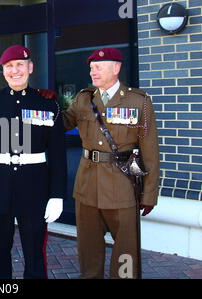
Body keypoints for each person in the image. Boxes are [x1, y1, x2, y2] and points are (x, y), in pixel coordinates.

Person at [0, 45, 66, 279]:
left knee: (35, 251)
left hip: (34, 185)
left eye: (20, 65)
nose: (15, 71)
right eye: (9, 66)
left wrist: (57, 195)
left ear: (30, 67)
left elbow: (57, 154)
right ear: (3, 71)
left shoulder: (47, 104)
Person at [63, 47, 159, 279]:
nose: (92, 72)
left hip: (122, 184)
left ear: (116, 68)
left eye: (98, 67)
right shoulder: (84, 98)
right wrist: (45, 105)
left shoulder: (139, 102)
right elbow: (61, 124)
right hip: (87, 184)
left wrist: (149, 194)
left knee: (126, 248)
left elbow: (150, 151)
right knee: (88, 246)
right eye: (91, 68)